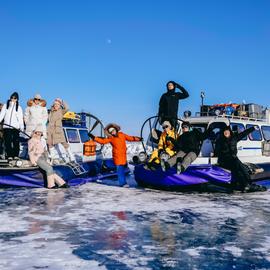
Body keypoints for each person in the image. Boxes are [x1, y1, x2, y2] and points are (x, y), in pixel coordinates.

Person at [214, 125, 266, 192]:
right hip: (225, 159)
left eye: (227, 131)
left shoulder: (234, 138)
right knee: (237, 169)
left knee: (242, 168)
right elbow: (217, 151)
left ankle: (248, 183)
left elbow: (244, 133)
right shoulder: (220, 141)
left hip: (234, 158)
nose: (226, 132)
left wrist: (252, 128)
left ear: (230, 132)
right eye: (225, 131)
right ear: (223, 132)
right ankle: (245, 185)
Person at [47, 98, 75, 163]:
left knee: (64, 143)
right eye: (55, 104)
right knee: (50, 143)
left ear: (60, 105)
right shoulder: (50, 111)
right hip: (50, 130)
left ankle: (71, 157)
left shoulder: (61, 111)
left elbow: (67, 108)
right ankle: (53, 157)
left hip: (58, 129)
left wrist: (62, 101)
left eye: (58, 104)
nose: (56, 105)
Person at [0, 92, 24, 160]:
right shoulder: (6, 105)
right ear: (10, 98)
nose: (13, 99)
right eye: (12, 98)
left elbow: (20, 118)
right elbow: (2, 114)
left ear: (17, 99)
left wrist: (21, 126)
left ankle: (16, 155)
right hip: (7, 127)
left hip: (15, 127)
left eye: (15, 98)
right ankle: (9, 155)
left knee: (15, 141)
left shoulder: (18, 107)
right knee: (8, 141)